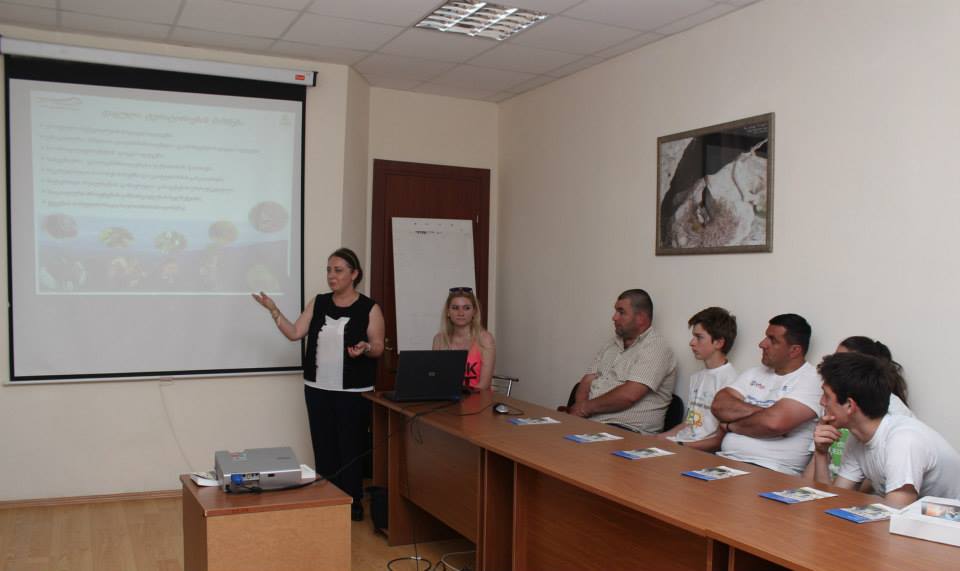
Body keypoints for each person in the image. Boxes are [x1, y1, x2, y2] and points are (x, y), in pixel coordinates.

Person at [252, 247, 384, 521]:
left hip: (353, 392)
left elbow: (378, 347)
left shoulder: (369, 307)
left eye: (338, 270)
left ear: (354, 274)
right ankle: (328, 500)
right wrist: (274, 311)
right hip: (318, 389)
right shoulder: (319, 302)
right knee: (324, 447)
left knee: (351, 448)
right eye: (328, 270)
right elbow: (295, 333)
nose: (331, 276)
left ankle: (352, 501)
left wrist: (366, 347)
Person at [812, 352, 960, 506]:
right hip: (921, 518)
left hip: (948, 519)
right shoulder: (858, 439)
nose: (822, 402)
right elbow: (833, 502)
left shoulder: (904, 441)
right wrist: (821, 453)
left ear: (850, 405)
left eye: (826, 396)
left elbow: (896, 513)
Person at [712, 314, 821, 475]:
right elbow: (719, 405)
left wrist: (730, 426)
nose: (762, 344)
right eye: (766, 337)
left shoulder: (813, 379)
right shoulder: (755, 373)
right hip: (725, 461)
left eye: (772, 340)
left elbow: (773, 424)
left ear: (794, 350)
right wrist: (766, 413)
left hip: (772, 470)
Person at [801, 336, 913, 481]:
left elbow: (872, 483)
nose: (821, 402)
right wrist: (820, 453)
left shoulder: (892, 419)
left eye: (843, 359)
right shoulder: (836, 405)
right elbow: (813, 483)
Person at [568, 289, 677, 434]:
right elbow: (587, 380)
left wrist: (583, 409)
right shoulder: (611, 345)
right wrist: (579, 412)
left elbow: (629, 396)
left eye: (621, 312)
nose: (614, 317)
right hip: (590, 423)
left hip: (627, 431)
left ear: (640, 318)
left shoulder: (657, 348)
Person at [659, 307, 738, 451]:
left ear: (719, 343)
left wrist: (680, 446)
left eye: (699, 337)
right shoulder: (698, 377)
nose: (692, 342)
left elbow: (719, 441)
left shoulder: (730, 382)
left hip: (697, 450)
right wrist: (658, 438)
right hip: (682, 443)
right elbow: (689, 424)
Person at [432, 287, 496, 391]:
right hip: (448, 398)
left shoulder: (485, 339)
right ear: (448, 312)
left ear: (474, 312)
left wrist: (462, 397)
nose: (461, 313)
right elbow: (436, 378)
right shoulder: (439, 339)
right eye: (455, 308)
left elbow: (484, 385)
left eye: (466, 308)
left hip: (478, 398)